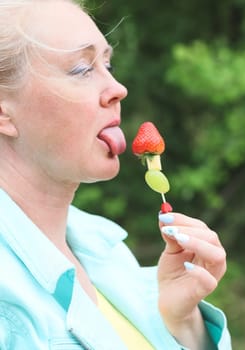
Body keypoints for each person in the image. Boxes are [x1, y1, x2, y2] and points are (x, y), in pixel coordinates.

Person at [0, 1, 232, 349]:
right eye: (81, 69)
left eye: (107, 64)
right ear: (4, 112)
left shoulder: (111, 254)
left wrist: (183, 325)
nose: (118, 88)